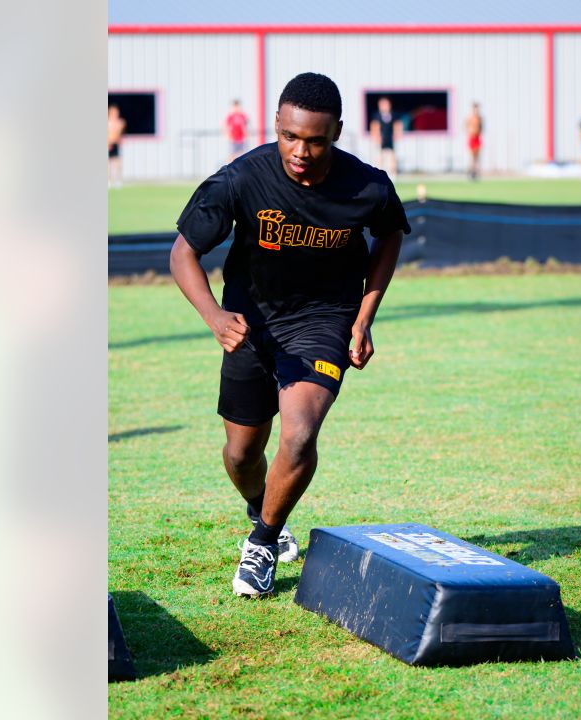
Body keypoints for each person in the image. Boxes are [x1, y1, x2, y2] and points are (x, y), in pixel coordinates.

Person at [169, 72, 410, 597]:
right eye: (291, 136)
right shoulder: (240, 179)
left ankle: (262, 543)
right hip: (251, 323)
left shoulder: (367, 185)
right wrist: (214, 316)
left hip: (324, 320)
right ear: (277, 124)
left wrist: (365, 314)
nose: (301, 151)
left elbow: (390, 233)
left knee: (299, 434)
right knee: (239, 455)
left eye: (316, 140)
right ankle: (264, 507)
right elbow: (184, 251)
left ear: (338, 133)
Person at [369, 96, 402, 177]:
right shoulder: (377, 115)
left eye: (386, 104)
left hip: (390, 139)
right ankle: (379, 174)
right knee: (380, 158)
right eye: (382, 104)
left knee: (392, 157)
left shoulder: (393, 115)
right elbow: (374, 126)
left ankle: (393, 175)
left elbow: (397, 125)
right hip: (381, 140)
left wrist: (397, 134)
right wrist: (376, 137)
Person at [107, 104, 126, 187]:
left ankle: (118, 180)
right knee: (108, 165)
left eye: (116, 112)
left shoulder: (120, 123)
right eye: (113, 112)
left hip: (116, 144)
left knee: (118, 164)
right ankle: (108, 181)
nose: (115, 114)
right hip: (108, 144)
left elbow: (120, 134)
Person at [465, 102, 484, 181]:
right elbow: (466, 127)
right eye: (475, 108)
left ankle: (476, 173)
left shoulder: (480, 118)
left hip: (477, 138)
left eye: (477, 108)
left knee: (477, 158)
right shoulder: (469, 118)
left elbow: (481, 128)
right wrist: (471, 132)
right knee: (472, 157)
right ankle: (471, 173)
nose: (476, 110)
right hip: (472, 138)